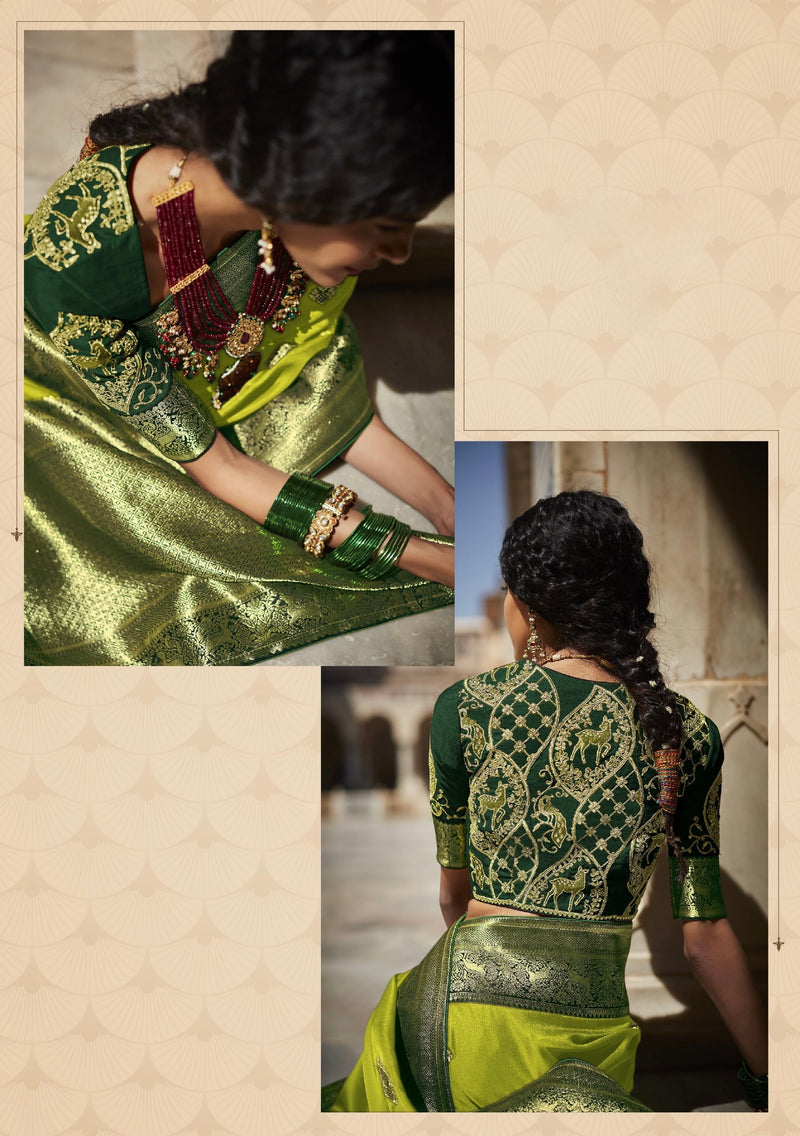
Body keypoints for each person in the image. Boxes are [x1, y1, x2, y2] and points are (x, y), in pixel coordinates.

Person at [323, 490, 768, 1112]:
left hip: (458, 1016)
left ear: (528, 606)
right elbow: (705, 937)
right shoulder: (687, 734)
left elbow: (454, 895)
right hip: (596, 1033)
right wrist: (767, 1079)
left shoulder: (467, 708)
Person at [24, 30, 455, 666]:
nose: (399, 255)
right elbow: (222, 468)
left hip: (202, 369)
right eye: (388, 228)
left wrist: (444, 505)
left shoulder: (263, 212)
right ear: (303, 186)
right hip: (74, 395)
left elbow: (293, 363)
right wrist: (425, 556)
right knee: (169, 526)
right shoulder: (79, 262)